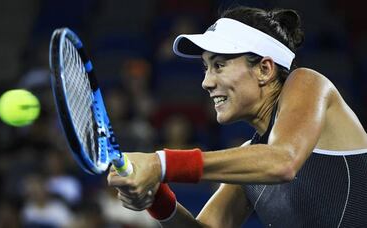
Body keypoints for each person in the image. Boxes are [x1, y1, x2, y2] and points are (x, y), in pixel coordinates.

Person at [107, 6, 367, 228]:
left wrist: (159, 163)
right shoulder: (251, 158)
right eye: (205, 68)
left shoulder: (307, 82)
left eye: (219, 65)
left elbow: (283, 161)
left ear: (265, 69)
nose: (206, 82)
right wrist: (158, 199)